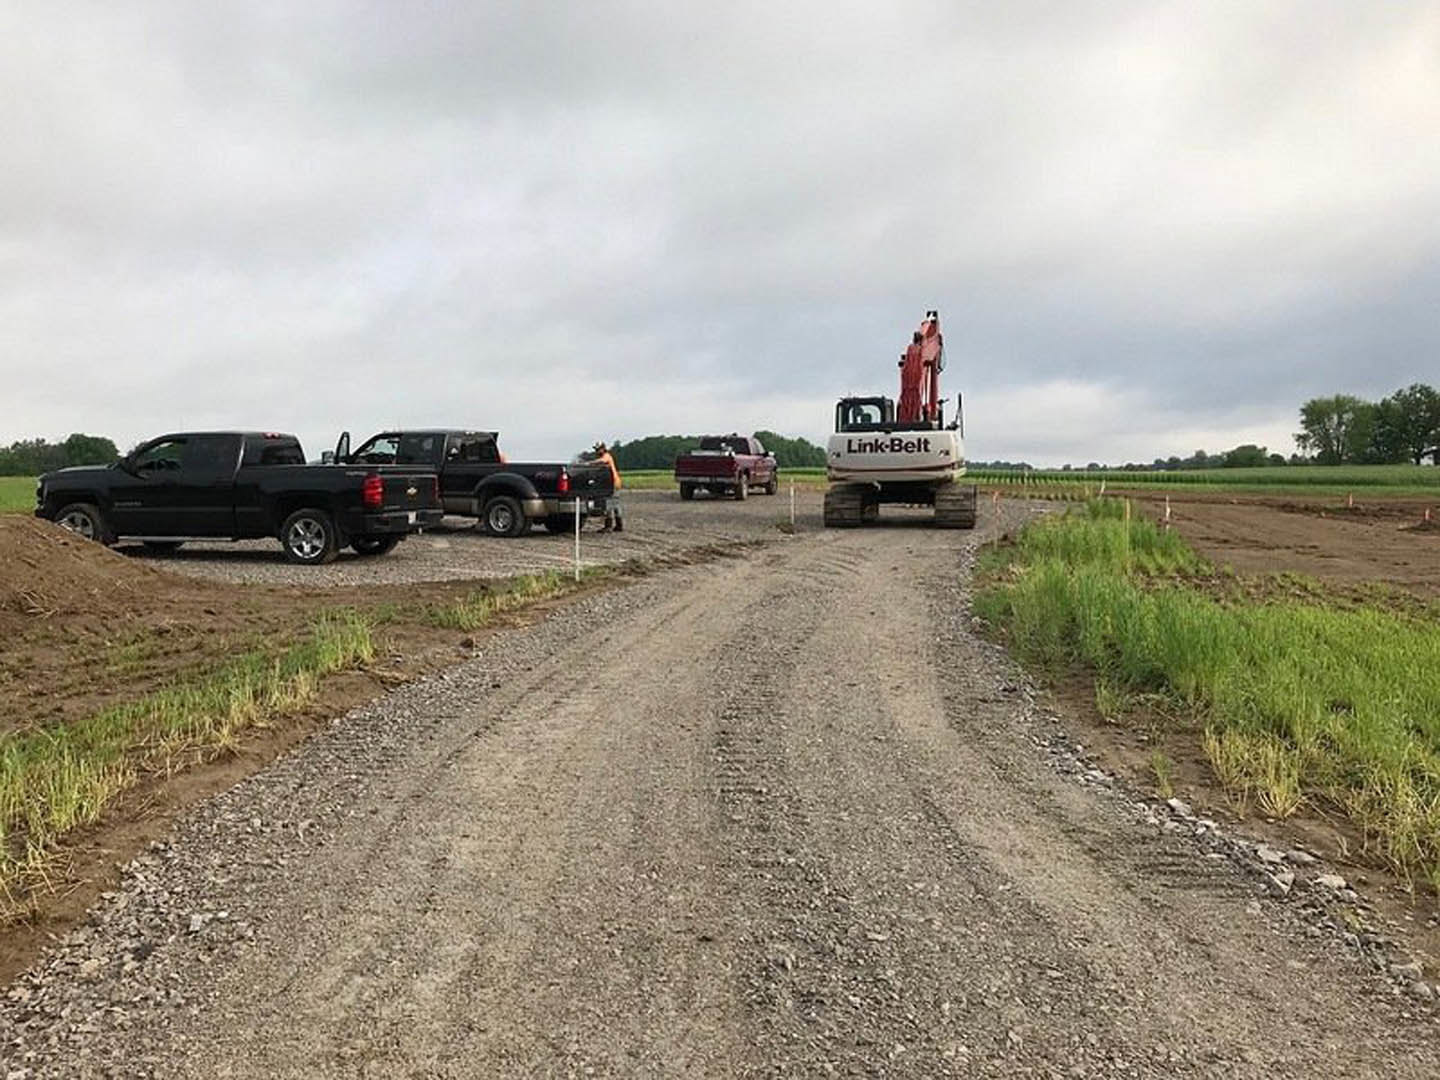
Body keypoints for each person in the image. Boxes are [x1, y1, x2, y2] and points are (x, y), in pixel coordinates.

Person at [593, 441, 624, 532]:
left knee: (609, 503)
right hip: (614, 482)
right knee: (615, 504)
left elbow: (602, 461)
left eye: (598, 449)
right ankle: (619, 525)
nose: (597, 451)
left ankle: (608, 526)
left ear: (603, 448)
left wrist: (589, 463)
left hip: (612, 483)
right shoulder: (606, 456)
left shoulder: (606, 456)